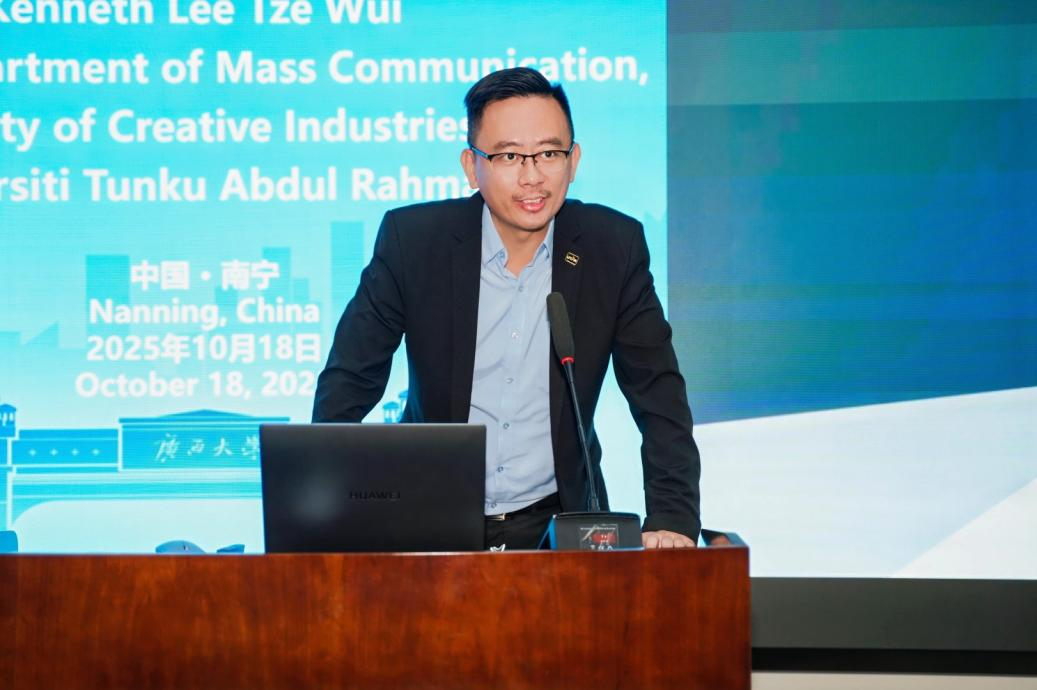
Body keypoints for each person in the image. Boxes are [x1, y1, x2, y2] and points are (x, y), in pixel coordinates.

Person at [313, 67, 700, 550]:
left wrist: (672, 517)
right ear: (471, 166)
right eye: (509, 156)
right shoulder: (413, 243)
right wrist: (326, 510)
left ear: (573, 161)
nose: (532, 176)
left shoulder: (612, 247)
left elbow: (658, 394)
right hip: (431, 514)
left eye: (550, 153)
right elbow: (349, 381)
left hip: (559, 522)